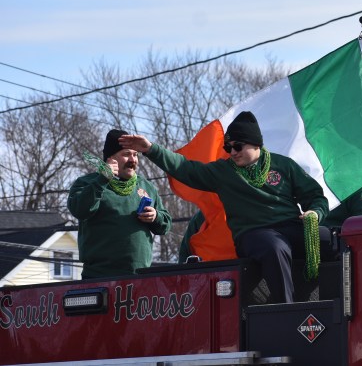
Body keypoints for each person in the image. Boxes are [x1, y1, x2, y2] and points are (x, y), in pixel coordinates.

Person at [119, 111, 336, 304]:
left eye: (237, 146)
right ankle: (286, 312)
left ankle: (339, 304)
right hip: (254, 233)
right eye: (228, 147)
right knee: (275, 248)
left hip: (290, 225)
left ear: (256, 144)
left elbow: (315, 196)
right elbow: (186, 168)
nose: (232, 152)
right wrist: (150, 149)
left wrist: (315, 213)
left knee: (335, 241)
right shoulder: (223, 171)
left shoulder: (283, 165)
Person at [68, 129, 172, 279]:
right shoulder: (87, 183)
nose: (133, 160)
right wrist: (103, 180)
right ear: (110, 159)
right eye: (126, 154)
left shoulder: (146, 187)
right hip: (100, 277)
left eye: (135, 154)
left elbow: (166, 225)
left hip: (140, 277)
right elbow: (79, 209)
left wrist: (155, 217)